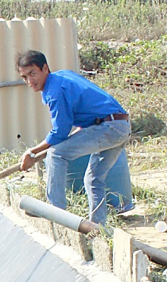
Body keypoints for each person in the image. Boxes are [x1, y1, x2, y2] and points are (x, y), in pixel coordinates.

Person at [17, 50, 131, 225]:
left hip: (109, 127)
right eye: (24, 77)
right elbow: (84, 113)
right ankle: (97, 227)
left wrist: (32, 152)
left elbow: (60, 132)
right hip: (120, 125)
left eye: (33, 73)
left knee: (56, 154)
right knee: (93, 179)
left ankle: (55, 210)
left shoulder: (54, 91)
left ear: (45, 68)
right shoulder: (63, 76)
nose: (30, 81)